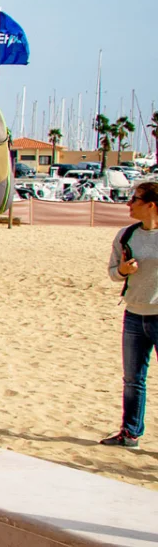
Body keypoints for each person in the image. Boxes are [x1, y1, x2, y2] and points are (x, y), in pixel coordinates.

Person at [102, 179, 158, 448]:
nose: (129, 204)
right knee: (133, 379)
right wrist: (124, 271)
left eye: (135, 200)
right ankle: (130, 433)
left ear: (151, 205)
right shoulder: (126, 235)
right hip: (134, 315)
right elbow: (113, 272)